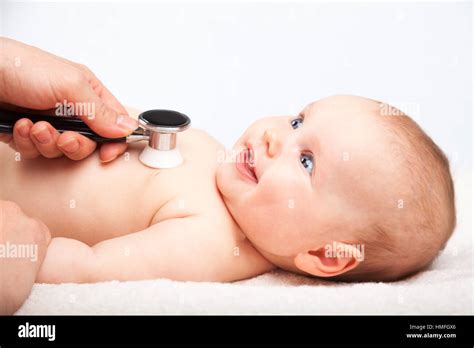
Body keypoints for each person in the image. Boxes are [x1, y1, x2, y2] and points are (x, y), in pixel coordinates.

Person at [0, 37, 138, 314]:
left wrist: (26, 252)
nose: (252, 152)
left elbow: (92, 265)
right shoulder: (217, 151)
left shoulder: (216, 234)